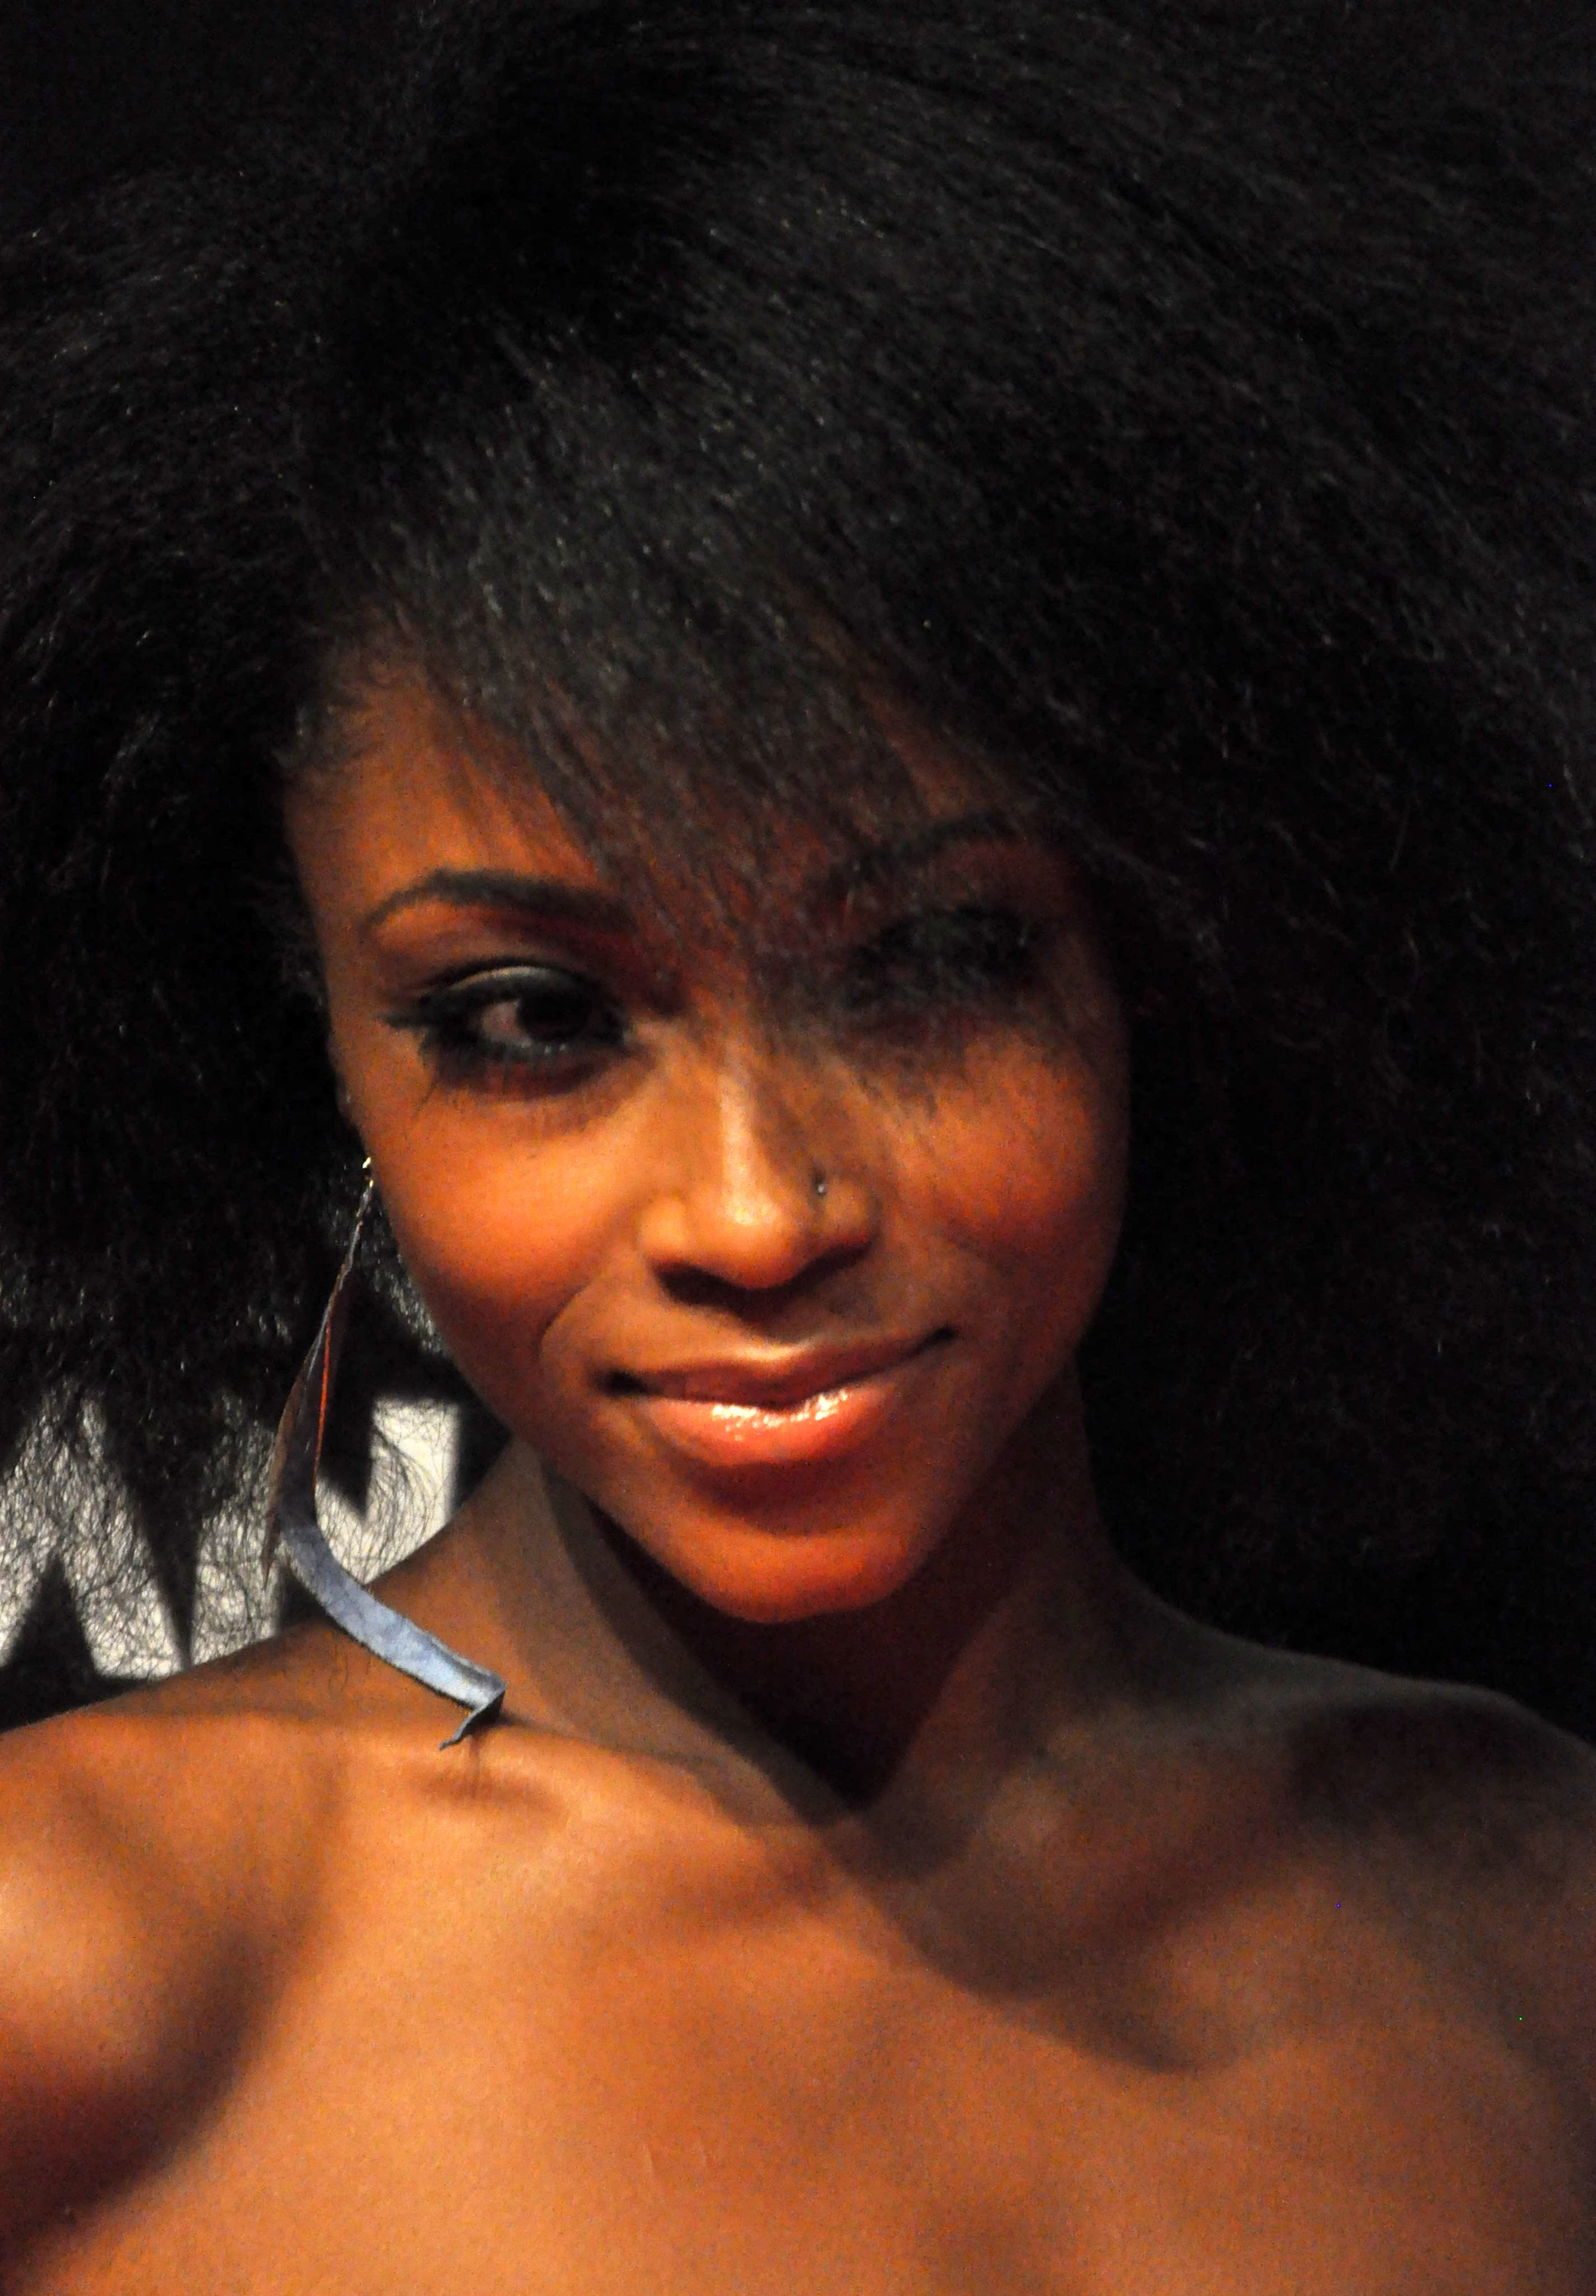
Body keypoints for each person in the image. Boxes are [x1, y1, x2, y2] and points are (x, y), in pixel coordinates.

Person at [2, 0, 1594, 2284]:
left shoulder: (1533, 1922)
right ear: (320, 1026)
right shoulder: (79, 1981)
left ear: (1170, 936)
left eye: (928, 964)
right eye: (531, 1022)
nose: (756, 1214)